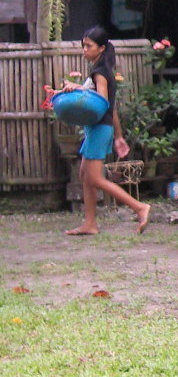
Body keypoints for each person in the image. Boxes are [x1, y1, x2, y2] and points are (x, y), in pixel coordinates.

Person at [59, 26, 151, 235]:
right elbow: (112, 107)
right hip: (99, 128)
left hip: (99, 128)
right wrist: (118, 136)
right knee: (85, 174)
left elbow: (100, 102)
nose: (84, 50)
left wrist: (79, 88)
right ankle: (90, 224)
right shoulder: (101, 70)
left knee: (95, 179)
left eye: (88, 46)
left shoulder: (100, 72)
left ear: (101, 48)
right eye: (83, 45)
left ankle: (140, 207)